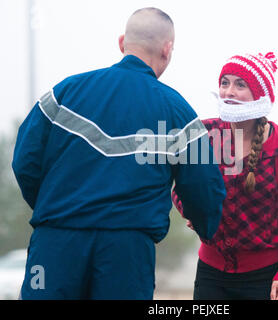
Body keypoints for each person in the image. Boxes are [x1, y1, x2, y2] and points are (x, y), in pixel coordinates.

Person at [12, 7, 226, 300]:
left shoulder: (63, 94)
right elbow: (204, 185)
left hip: (55, 243)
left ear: (122, 41)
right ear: (167, 49)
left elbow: (25, 160)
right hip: (127, 253)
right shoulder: (178, 112)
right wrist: (206, 227)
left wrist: (55, 207)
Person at [172, 52, 278, 300]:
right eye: (224, 83)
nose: (228, 92)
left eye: (240, 84)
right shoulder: (205, 133)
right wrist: (195, 211)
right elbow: (180, 188)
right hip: (211, 274)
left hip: (264, 278)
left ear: (260, 95)